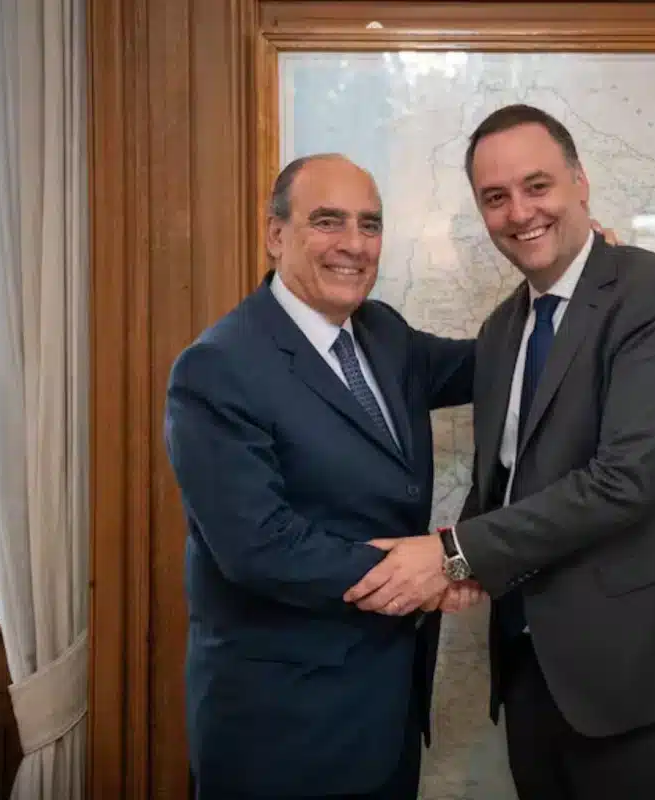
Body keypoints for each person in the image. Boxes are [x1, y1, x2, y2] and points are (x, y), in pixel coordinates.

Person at [344, 104, 655, 799]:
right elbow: (508, 481)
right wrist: (457, 566)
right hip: (533, 668)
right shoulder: (504, 327)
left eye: (537, 186)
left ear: (580, 184)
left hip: (646, 669)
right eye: (495, 197)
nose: (519, 212)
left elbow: (626, 480)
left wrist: (453, 551)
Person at [163, 153, 483, 800]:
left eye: (370, 225)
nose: (354, 246)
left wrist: (577, 289)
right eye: (328, 222)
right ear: (276, 234)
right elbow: (260, 547)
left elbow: (487, 363)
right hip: (284, 731)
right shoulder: (219, 367)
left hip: (386, 714)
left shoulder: (383, 334)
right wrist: (422, 575)